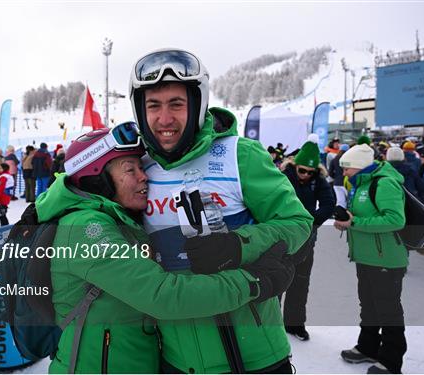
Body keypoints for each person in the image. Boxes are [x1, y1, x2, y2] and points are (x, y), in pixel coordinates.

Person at [42, 125, 295, 373]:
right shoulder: (85, 228)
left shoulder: (120, 219)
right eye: (130, 170)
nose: (144, 176)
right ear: (97, 180)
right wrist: (253, 282)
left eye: (141, 167)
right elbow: (162, 295)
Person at [129, 48, 313, 373]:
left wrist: (237, 246)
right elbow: (82, 182)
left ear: (198, 105)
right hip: (177, 359)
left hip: (256, 357)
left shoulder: (239, 156)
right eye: (153, 106)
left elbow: (298, 225)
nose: (165, 118)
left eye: (177, 104)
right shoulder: (138, 170)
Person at [334, 144, 408, 374]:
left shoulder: (383, 183)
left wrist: (354, 223)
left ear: (360, 166)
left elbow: (396, 220)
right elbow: (362, 216)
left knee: (388, 310)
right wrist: (347, 220)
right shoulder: (362, 184)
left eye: (347, 168)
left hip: (386, 259)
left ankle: (391, 361)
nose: (344, 173)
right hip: (366, 258)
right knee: (369, 306)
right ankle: (368, 347)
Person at [280, 141, 335, 341]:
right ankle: (273, 325)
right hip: (282, 237)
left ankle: (295, 324)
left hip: (306, 238)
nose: (305, 175)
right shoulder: (283, 177)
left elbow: (329, 204)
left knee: (301, 281)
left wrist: (311, 223)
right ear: (295, 166)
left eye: (310, 172)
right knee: (276, 281)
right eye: (302, 171)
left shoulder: (318, 180)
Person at [329, 143, 350, 207]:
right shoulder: (349, 159)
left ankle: (340, 214)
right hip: (347, 182)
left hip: (337, 182)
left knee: (340, 201)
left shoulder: (334, 159)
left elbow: (330, 172)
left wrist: (335, 177)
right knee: (349, 200)